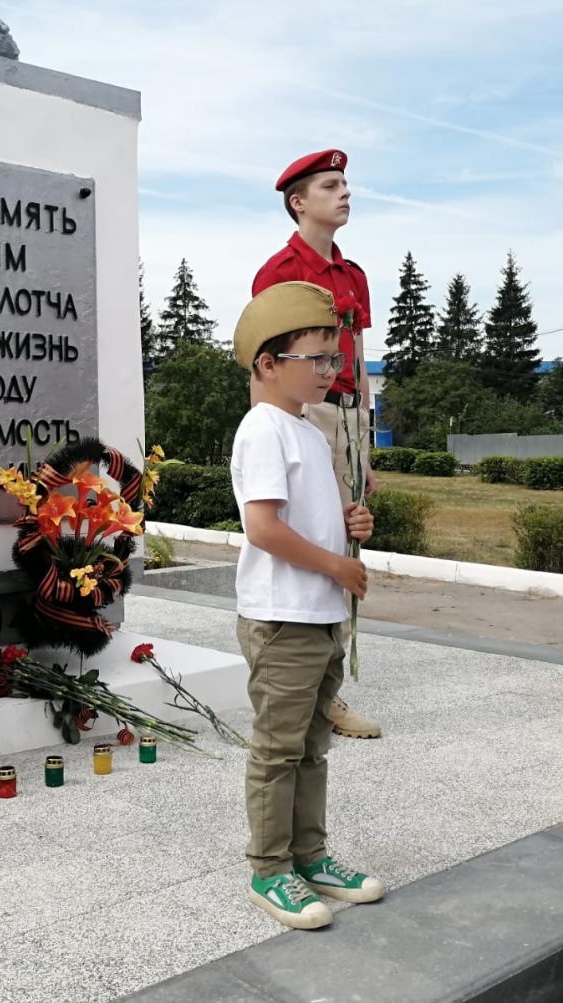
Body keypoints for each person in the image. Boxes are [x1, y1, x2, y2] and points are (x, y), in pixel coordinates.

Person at [230, 281, 385, 930]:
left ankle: (311, 856)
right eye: (317, 358)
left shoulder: (305, 431)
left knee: (313, 747)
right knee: (279, 750)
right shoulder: (264, 428)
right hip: (284, 618)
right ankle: (271, 870)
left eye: (334, 357)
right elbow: (262, 529)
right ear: (270, 364)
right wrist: (337, 565)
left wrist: (351, 524)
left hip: (318, 616)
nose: (331, 370)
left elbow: (308, 519)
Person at [252, 148, 381, 741]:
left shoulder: (353, 277)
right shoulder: (278, 273)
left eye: (346, 185)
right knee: (310, 531)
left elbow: (354, 361)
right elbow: (265, 365)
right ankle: (306, 678)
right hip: (305, 412)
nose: (345, 193)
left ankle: (331, 681)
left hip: (349, 414)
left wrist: (367, 447)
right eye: (331, 186)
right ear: (298, 201)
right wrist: (268, 433)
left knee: (348, 537)